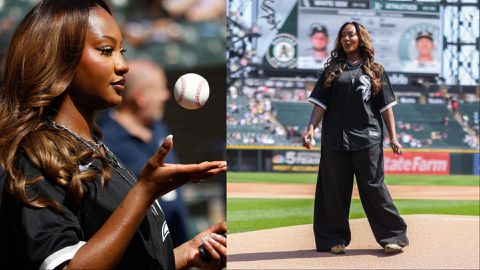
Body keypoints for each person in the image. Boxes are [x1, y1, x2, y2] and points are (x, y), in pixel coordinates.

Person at [0, 1, 226, 269]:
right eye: (106, 50)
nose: (123, 65)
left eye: (122, 50)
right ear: (61, 58)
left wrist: (184, 254)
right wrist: (145, 192)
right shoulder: (37, 158)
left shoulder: (92, 146)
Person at [302, 21, 409, 255]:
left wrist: (393, 137)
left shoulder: (375, 70)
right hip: (334, 139)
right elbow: (320, 105)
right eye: (343, 36)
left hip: (368, 137)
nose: (346, 39)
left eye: (351, 35)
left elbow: (385, 108)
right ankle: (333, 239)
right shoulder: (331, 70)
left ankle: (393, 237)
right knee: (333, 189)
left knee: (373, 186)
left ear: (361, 38)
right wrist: (311, 128)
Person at [99, 59, 190, 248]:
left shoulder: (158, 127)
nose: (166, 96)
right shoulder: (104, 142)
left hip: (179, 245)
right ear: (140, 97)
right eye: (160, 90)